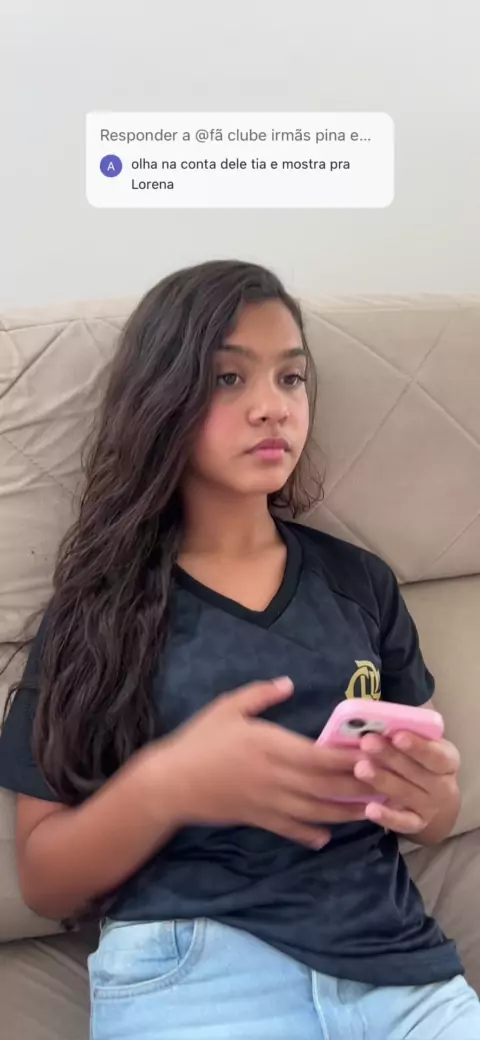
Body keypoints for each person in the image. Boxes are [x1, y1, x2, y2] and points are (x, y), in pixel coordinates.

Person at [0, 259, 478, 1040]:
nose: (272, 407)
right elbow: (44, 881)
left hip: (398, 969)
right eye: (229, 379)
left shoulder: (361, 583)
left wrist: (432, 801)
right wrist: (168, 786)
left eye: (291, 378)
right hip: (196, 972)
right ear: (162, 400)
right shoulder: (99, 611)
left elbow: (429, 811)